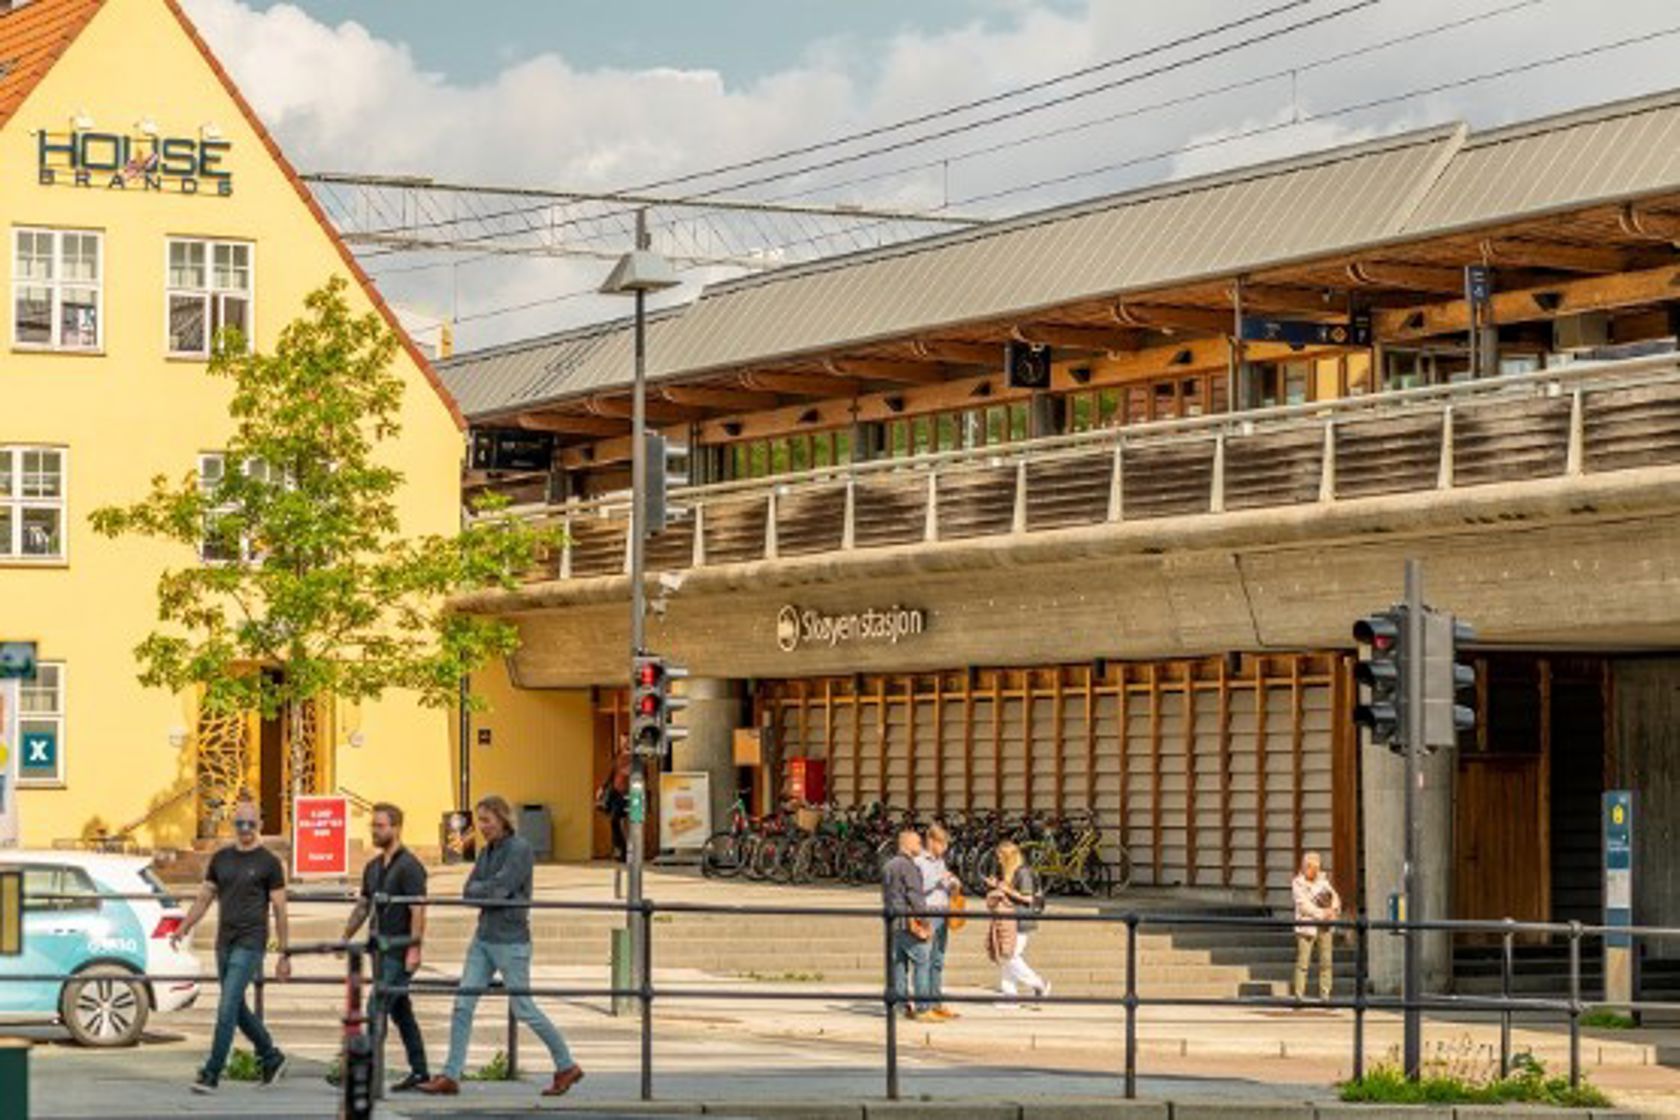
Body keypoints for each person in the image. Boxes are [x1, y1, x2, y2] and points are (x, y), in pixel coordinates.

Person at [420, 795, 583, 1097]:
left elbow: (499, 889)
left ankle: (566, 1065)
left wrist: (488, 889)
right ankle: (450, 1075)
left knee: (524, 1008)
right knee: (462, 1004)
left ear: (502, 819)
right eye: (479, 820)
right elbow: (469, 891)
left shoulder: (519, 849)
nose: (481, 827)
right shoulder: (486, 852)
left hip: (511, 940)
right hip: (483, 938)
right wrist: (487, 889)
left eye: (486, 820)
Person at [172, 798, 290, 1094]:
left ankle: (212, 1072)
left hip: (251, 943)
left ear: (259, 825)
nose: (246, 829)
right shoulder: (221, 859)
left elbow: (280, 909)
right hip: (223, 942)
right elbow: (204, 898)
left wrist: (283, 954)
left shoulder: (269, 862)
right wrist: (184, 926)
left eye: (251, 823)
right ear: (233, 825)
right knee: (236, 1007)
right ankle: (271, 1057)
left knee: (226, 1007)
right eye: (240, 824)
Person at [343, 802, 430, 1091]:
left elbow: (418, 910)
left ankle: (363, 1072)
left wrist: (414, 949)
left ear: (396, 828)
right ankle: (420, 1071)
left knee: (376, 1006)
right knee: (401, 1011)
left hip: (399, 950)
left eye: (380, 826)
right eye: (373, 826)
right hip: (378, 949)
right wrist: (345, 936)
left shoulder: (410, 867)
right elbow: (364, 905)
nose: (375, 831)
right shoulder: (373, 867)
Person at [881, 829, 934, 1021]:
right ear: (906, 844)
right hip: (909, 921)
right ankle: (923, 1007)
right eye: (918, 843)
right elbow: (915, 897)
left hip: (893, 922)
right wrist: (925, 922)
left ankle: (899, 1006)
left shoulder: (888, 865)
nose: (921, 846)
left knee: (898, 966)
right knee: (922, 962)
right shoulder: (908, 867)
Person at [987, 841, 1048, 1003]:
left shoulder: (1023, 872)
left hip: (1021, 919)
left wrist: (1007, 890)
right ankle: (1010, 995)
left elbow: (1028, 898)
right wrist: (997, 886)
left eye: (1001, 857)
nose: (998, 861)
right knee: (1008, 955)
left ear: (1008, 857)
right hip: (1011, 918)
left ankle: (1039, 983)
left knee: (1011, 955)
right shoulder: (1010, 873)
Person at [916, 824, 962, 1020]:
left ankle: (936, 1002)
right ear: (931, 841)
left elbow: (943, 885)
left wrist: (953, 884)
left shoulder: (940, 861)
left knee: (938, 960)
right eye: (942, 844)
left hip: (943, 911)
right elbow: (921, 886)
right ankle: (924, 1005)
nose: (945, 848)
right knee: (925, 959)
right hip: (929, 912)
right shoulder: (920, 862)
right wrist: (940, 877)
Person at [1292, 851, 1341, 1002]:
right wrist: (1322, 913)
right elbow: (1303, 905)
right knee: (1303, 962)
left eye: (1316, 867)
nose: (1314, 870)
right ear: (1305, 866)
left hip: (1325, 927)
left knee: (1326, 961)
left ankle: (1325, 993)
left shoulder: (1324, 881)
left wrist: (1333, 910)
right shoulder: (1298, 883)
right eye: (1311, 867)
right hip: (1307, 927)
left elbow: (1335, 898)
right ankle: (1299, 994)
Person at [596, 734, 632, 861]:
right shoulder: (618, 755)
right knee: (614, 821)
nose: (624, 743)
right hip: (616, 792)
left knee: (628, 822)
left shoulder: (634, 757)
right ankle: (620, 849)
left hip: (629, 793)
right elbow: (612, 773)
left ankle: (626, 851)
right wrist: (602, 787)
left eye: (626, 740)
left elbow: (639, 774)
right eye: (622, 741)